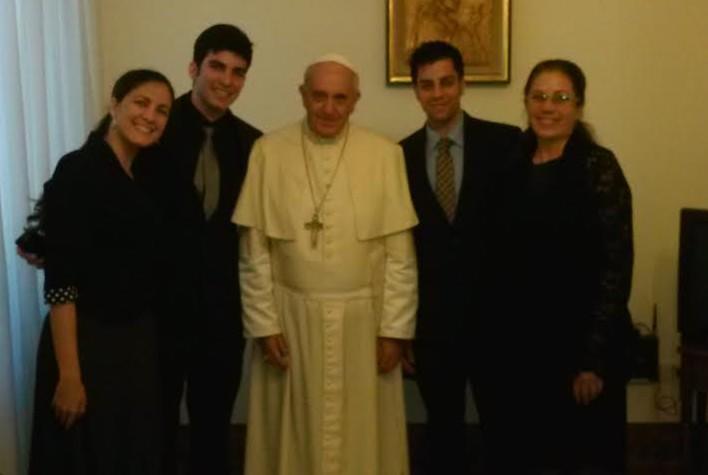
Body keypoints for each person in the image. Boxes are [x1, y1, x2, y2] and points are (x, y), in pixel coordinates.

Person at [233, 54, 419, 475]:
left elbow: (400, 257)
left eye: (340, 98)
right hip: (290, 320)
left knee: (362, 435)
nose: (329, 108)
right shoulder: (268, 152)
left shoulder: (385, 154)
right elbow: (254, 251)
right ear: (302, 95)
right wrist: (263, 324)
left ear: (356, 100)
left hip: (364, 323)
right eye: (319, 96)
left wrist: (395, 330)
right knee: (292, 433)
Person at [28, 69, 175, 474]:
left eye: (162, 111)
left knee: (131, 453)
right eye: (141, 103)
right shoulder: (79, 169)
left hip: (134, 343)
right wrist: (69, 376)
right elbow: (61, 281)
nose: (150, 116)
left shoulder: (146, 173)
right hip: (88, 342)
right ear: (114, 104)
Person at [399, 41, 521, 473]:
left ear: (463, 83)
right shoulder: (397, 157)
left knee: (504, 432)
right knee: (443, 434)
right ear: (416, 90)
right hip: (432, 327)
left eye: (446, 82)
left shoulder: (507, 143)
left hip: (498, 322)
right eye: (427, 85)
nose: (438, 93)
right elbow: (397, 251)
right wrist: (401, 328)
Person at [517, 59, 634, 473]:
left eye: (561, 97)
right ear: (526, 102)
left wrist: (592, 361)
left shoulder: (598, 166)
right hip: (527, 348)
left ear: (579, 106)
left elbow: (616, 266)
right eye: (539, 97)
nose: (548, 107)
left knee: (584, 457)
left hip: (582, 348)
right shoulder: (512, 163)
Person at [155, 23, 262, 475]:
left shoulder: (255, 145)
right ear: (193, 68)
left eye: (238, 72)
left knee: (213, 430)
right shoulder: (153, 125)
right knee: (154, 427)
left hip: (222, 315)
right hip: (155, 311)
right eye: (217, 67)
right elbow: (99, 184)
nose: (226, 80)